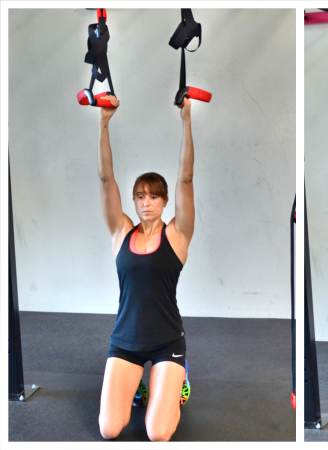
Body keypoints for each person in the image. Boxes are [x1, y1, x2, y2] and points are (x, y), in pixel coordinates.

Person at [96, 95, 196, 441]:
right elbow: (107, 181)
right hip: (125, 341)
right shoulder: (121, 232)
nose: (146, 202)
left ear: (164, 201)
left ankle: (176, 387)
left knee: (157, 433)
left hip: (167, 341)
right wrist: (104, 123)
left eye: (154, 196)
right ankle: (142, 387)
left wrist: (186, 120)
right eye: (140, 196)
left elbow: (185, 179)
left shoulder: (178, 235)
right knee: (109, 429)